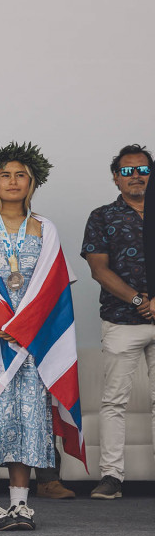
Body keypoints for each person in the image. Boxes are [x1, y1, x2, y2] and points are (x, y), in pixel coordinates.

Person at [0, 143, 85, 530]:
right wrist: (0, 324)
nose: (12, 181)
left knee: (27, 419)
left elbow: (55, 286)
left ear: (32, 181)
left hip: (31, 341)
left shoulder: (45, 228)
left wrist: (25, 327)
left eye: (20, 174)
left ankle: (21, 503)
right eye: (4, 175)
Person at [81, 144, 155, 500]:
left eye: (142, 169)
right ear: (116, 178)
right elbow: (98, 269)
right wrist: (140, 301)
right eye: (127, 171)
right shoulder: (102, 217)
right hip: (122, 321)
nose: (135, 176)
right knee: (114, 402)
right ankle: (112, 477)